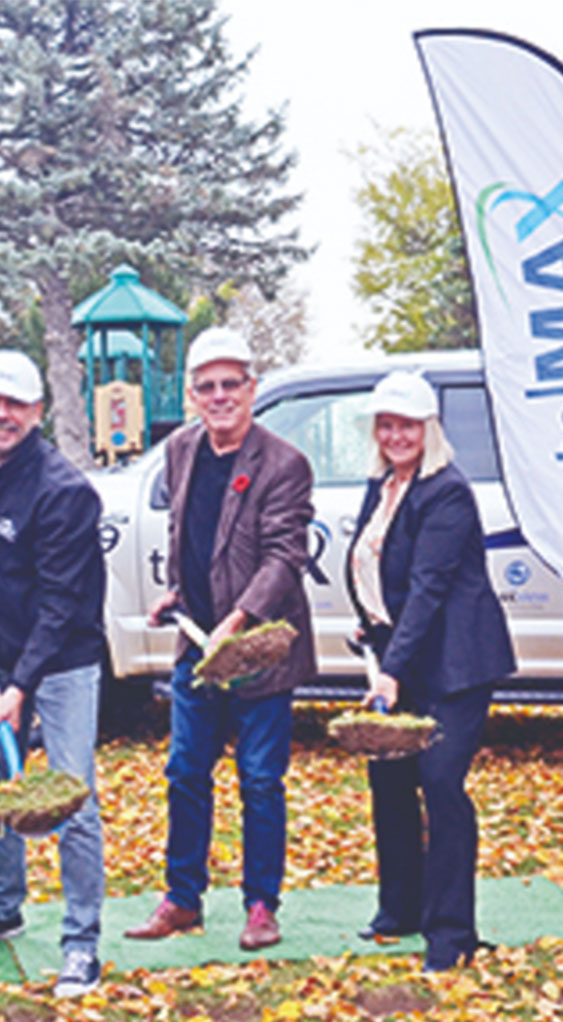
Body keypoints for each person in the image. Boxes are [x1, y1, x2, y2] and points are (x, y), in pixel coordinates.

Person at [127, 327, 315, 952]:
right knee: (184, 772)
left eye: (231, 383)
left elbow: (284, 557)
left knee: (260, 778)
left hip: (258, 652)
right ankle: (183, 899)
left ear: (252, 389)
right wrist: (179, 593)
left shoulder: (284, 462)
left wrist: (237, 619)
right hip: (197, 648)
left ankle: (261, 904)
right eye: (206, 386)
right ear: (192, 395)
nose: (219, 396)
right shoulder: (181, 449)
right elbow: (196, 535)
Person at [0, 351, 108, 999]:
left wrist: (18, 690)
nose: (0, 415)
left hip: (64, 657)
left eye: (14, 405)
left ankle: (81, 943)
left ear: (37, 413)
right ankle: (4, 905)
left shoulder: (64, 492)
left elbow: (63, 605)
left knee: (71, 795)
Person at [342, 371, 515, 972]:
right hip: (403, 653)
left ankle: (451, 932)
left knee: (440, 783)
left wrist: (391, 668)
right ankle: (401, 909)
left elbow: (429, 588)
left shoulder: (448, 493)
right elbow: (374, 561)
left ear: (430, 428)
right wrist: (372, 622)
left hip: (455, 665)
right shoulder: (384, 484)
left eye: (408, 425)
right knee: (389, 778)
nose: (396, 435)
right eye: (386, 425)